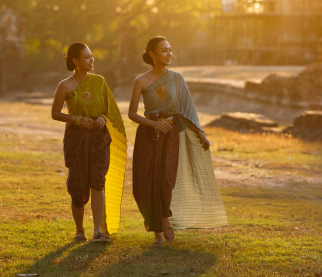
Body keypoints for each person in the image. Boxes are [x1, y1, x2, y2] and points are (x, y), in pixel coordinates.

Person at [128, 36, 227, 246]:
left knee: (165, 180)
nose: (169, 54)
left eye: (170, 50)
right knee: (145, 183)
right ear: (152, 54)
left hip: (171, 134)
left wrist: (200, 133)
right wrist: (154, 124)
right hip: (148, 135)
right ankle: (154, 224)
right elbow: (132, 114)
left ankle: (163, 224)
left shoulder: (177, 79)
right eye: (164, 51)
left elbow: (187, 110)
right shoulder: (141, 81)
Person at [52, 42, 127, 243]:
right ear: (75, 61)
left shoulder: (100, 82)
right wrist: (76, 119)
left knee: (97, 180)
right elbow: (55, 113)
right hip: (76, 138)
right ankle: (79, 231)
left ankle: (97, 231)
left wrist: (103, 118)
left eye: (92, 56)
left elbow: (107, 109)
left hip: (98, 137)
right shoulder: (65, 85)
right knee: (78, 183)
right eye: (86, 57)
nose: (91, 60)